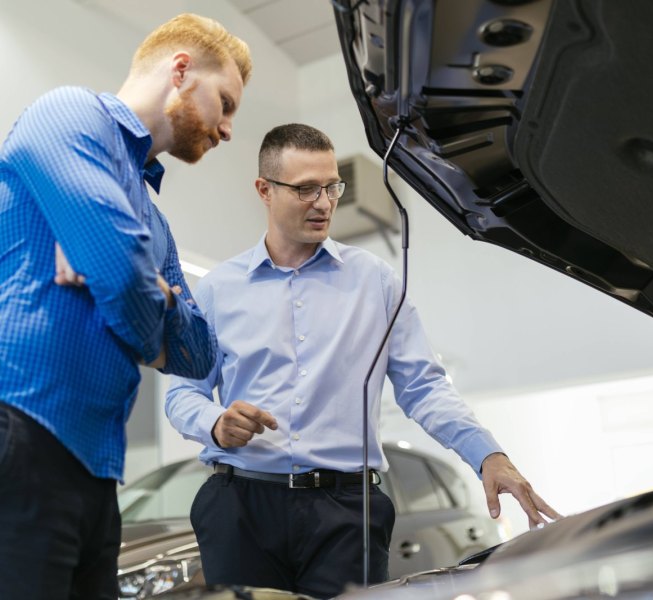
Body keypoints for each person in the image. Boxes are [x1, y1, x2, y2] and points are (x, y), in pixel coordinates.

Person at [166, 123, 562, 599]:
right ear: (264, 191)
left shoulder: (375, 282)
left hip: (347, 511)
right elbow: (182, 392)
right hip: (240, 505)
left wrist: (488, 455)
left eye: (332, 186)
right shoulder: (215, 290)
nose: (324, 202)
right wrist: (215, 423)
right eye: (306, 189)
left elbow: (423, 386)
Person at [0, 13, 251, 600]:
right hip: (22, 432)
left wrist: (136, 278)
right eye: (226, 102)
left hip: (96, 469)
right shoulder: (68, 115)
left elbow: (197, 354)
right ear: (182, 70)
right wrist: (137, 286)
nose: (229, 129)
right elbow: (130, 294)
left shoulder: (152, 216)